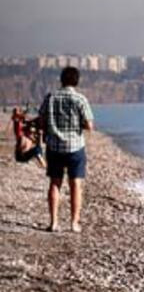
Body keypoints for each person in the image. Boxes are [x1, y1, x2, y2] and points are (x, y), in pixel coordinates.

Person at [39, 67, 94, 233]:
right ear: (77, 81)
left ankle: (54, 222)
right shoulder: (80, 99)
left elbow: (42, 121)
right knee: (75, 184)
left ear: (61, 79)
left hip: (54, 146)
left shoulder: (50, 97)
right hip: (75, 147)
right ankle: (74, 223)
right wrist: (78, 124)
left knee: (55, 183)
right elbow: (90, 125)